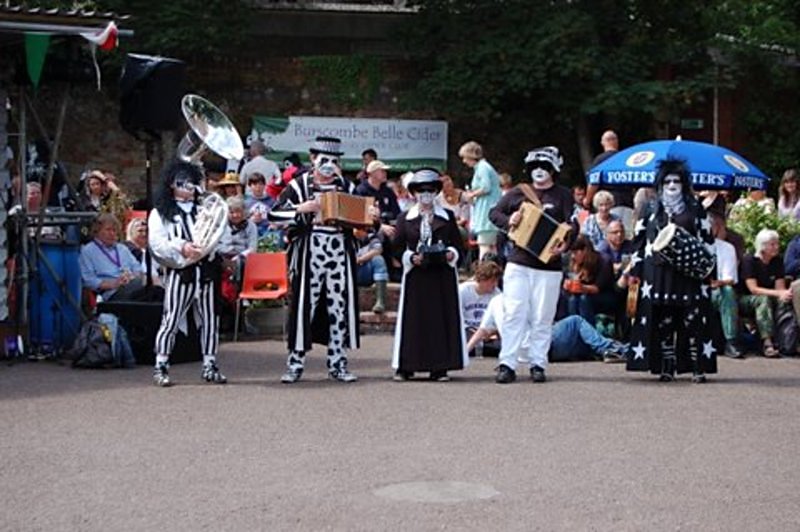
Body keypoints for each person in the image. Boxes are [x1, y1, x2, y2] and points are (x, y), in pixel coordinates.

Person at [267, 136, 364, 384]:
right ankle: (295, 363)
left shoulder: (347, 187)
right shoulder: (298, 186)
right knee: (304, 308)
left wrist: (369, 218)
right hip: (310, 254)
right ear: (313, 159)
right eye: (324, 160)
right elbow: (273, 214)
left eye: (334, 160)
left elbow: (363, 221)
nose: (329, 165)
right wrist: (302, 209)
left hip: (339, 254)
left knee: (337, 308)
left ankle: (337, 363)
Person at [621, 158, 721, 382]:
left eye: (676, 181)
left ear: (684, 183)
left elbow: (707, 242)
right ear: (661, 183)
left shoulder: (695, 209)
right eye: (667, 181)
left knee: (692, 320)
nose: (672, 185)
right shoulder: (651, 209)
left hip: (687, 275)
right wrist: (635, 273)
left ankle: (697, 367)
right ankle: (667, 366)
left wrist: (710, 272)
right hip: (658, 275)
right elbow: (639, 242)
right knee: (663, 321)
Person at [488, 146, 575, 383]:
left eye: (545, 167)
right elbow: (494, 213)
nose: (539, 171)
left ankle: (538, 363)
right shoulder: (518, 192)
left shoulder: (564, 195)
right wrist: (510, 220)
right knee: (514, 312)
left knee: (543, 316)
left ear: (554, 169)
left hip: (549, 267)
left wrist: (565, 244)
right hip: (519, 261)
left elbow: (573, 225)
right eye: (535, 167)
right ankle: (508, 362)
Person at [148, 161, 227, 387]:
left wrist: (212, 247)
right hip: (182, 271)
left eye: (192, 183)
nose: (188, 188)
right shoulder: (160, 212)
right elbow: (157, 243)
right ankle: (161, 365)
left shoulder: (204, 208)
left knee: (211, 320)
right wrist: (182, 247)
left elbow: (218, 232)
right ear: (171, 185)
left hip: (208, 271)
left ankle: (210, 364)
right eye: (183, 183)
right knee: (171, 319)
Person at [391, 168, 467, 381]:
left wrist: (451, 255)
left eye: (431, 190)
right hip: (416, 277)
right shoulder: (405, 218)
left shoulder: (448, 216)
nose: (426, 195)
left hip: (441, 276)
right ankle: (407, 366)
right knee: (413, 321)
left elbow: (458, 246)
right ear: (414, 193)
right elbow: (396, 247)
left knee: (440, 320)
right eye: (421, 190)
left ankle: (439, 366)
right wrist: (410, 257)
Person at [466, 294, 627, 363]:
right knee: (576, 321)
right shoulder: (520, 300)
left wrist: (465, 352)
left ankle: (619, 350)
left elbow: (482, 331)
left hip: (524, 357)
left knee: (584, 341)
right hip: (543, 347)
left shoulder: (494, 302)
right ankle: (611, 349)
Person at [738, 229, 791, 358]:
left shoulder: (777, 261)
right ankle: (767, 343)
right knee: (763, 299)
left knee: (785, 300)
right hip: (746, 299)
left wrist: (784, 294)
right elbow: (753, 289)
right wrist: (778, 293)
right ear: (762, 245)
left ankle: (786, 341)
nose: (776, 247)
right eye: (772, 244)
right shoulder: (749, 260)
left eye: (777, 244)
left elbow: (780, 288)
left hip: (768, 296)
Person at [79, 213, 145, 302]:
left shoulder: (122, 249)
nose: (112, 233)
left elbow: (138, 269)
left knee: (155, 289)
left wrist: (131, 276)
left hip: (131, 285)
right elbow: (88, 279)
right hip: (111, 293)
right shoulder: (88, 251)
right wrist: (113, 284)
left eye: (114, 230)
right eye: (108, 230)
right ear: (97, 231)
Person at [585, 130, 635, 234]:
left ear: (603, 142)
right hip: (628, 201)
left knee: (611, 235)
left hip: (608, 204)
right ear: (616, 142)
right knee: (627, 234)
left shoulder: (600, 160)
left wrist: (587, 200)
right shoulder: (627, 158)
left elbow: (594, 183)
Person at [459, 141, 501, 260]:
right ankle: (491, 271)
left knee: (484, 244)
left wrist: (471, 195)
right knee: (491, 246)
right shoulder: (482, 167)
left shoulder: (483, 168)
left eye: (465, 157)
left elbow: (486, 187)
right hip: (485, 209)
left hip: (486, 211)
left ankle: (484, 271)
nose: (464, 161)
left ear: (471, 155)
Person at [709, 214, 743, 358]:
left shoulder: (727, 248)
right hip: (695, 290)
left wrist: (716, 283)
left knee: (728, 292)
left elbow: (730, 278)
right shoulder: (695, 245)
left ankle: (731, 342)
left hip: (717, 291)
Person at [563, 235, 615, 326]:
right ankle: (574, 330)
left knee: (584, 299)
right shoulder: (572, 262)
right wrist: (567, 285)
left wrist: (582, 287)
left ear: (585, 251)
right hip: (581, 294)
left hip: (603, 295)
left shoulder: (604, 261)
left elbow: (597, 288)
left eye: (575, 252)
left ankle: (588, 333)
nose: (572, 256)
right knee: (572, 299)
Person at [459, 260, 502, 357]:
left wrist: (492, 331)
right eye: (492, 281)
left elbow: (499, 319)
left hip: (488, 334)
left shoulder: (497, 293)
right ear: (482, 279)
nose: (495, 285)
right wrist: (468, 328)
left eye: (496, 281)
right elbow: (456, 317)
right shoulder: (463, 290)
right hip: (467, 330)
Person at [354, 228, 390, 314]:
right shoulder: (345, 238)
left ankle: (380, 301)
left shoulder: (372, 238)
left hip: (365, 272)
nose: (356, 231)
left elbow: (378, 250)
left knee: (378, 260)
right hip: (348, 274)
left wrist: (360, 259)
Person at [244, 172, 275, 237]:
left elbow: (277, 217)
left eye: (260, 184)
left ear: (264, 185)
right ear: (250, 186)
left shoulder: (272, 201)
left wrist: (274, 224)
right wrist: (250, 220)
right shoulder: (246, 202)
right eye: (255, 184)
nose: (258, 187)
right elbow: (241, 220)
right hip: (252, 230)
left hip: (268, 230)